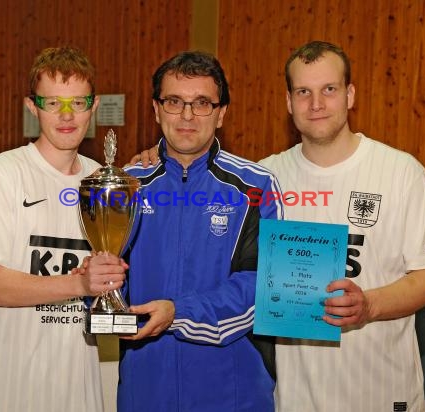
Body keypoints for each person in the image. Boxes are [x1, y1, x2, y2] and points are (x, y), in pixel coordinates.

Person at [133, 41, 425, 412]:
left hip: (378, 387)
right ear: (288, 102)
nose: (316, 104)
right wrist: (158, 160)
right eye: (303, 92)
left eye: (328, 89)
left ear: (349, 95)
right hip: (292, 394)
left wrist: (369, 306)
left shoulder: (400, 172)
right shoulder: (266, 176)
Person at [0, 46, 127, 412]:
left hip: (74, 380)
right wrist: (78, 283)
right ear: (33, 107)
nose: (66, 115)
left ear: (93, 107)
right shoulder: (2, 173)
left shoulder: (102, 181)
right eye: (52, 103)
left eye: (78, 103)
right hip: (3, 381)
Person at [118, 51, 284, 411]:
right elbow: (108, 286)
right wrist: (92, 286)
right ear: (156, 109)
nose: (188, 115)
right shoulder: (125, 187)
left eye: (202, 103)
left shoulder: (255, 186)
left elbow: (263, 288)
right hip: (145, 392)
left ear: (221, 113)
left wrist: (178, 312)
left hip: (233, 393)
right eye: (175, 101)